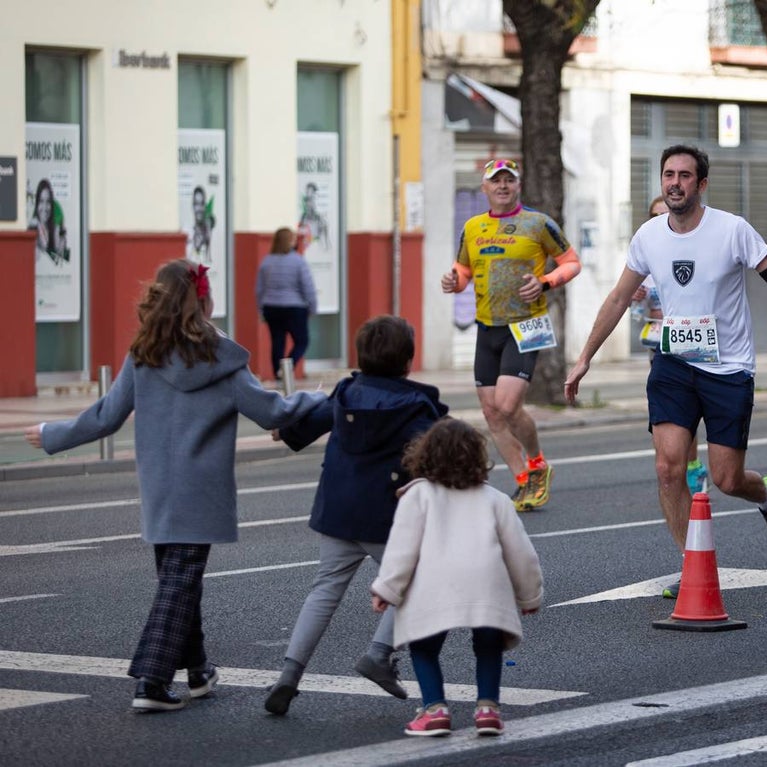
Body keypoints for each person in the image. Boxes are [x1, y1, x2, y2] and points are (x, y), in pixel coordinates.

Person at [564, 144, 767, 599]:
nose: (674, 183)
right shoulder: (648, 236)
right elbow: (619, 297)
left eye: (684, 176)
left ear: (702, 184)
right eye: (668, 175)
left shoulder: (733, 231)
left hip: (728, 369)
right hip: (673, 364)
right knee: (667, 467)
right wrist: (585, 357)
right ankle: (691, 563)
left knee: (727, 478)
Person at [23, 259, 327, 712]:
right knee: (180, 582)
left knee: (179, 581)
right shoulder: (220, 357)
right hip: (201, 490)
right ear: (203, 300)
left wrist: (53, 434)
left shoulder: (143, 354)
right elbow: (272, 412)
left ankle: (199, 671)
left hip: (159, 488)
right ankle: (151, 680)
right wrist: (320, 397)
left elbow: (106, 417)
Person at [264, 315, 449, 716]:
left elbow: (295, 431)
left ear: (361, 358)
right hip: (388, 515)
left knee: (323, 591)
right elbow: (445, 449)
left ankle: (288, 678)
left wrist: (281, 425)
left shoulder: (346, 392)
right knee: (418, 581)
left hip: (338, 510)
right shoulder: (418, 405)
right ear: (408, 361)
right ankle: (379, 654)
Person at [370, 418, 543, 738]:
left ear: (425, 457)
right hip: (487, 585)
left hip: (435, 587)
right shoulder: (496, 500)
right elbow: (521, 552)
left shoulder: (417, 496)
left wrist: (387, 588)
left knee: (424, 647)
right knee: (489, 645)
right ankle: (488, 709)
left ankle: (435, 710)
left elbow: (401, 550)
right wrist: (529, 595)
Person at [441, 158, 582, 512]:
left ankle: (537, 463)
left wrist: (546, 281)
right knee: (490, 413)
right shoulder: (472, 227)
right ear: (485, 188)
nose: (502, 186)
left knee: (507, 405)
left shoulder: (538, 223)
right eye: (495, 181)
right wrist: (453, 281)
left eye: (509, 180)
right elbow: (463, 270)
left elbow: (571, 262)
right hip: (487, 326)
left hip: (526, 326)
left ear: (518, 185)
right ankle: (524, 481)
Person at [631, 196, 708, 495]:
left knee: (690, 408)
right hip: (659, 346)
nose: (659, 219)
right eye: (653, 215)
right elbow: (636, 312)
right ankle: (679, 467)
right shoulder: (644, 256)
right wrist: (635, 301)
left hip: (694, 341)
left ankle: (693, 466)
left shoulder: (695, 249)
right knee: (671, 413)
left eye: (663, 214)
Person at [257, 227, 318, 380]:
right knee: (302, 341)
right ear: (290, 241)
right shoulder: (298, 261)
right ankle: (286, 368)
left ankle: (278, 374)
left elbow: (259, 289)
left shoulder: (266, 262)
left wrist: (261, 309)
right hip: (294, 307)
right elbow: (308, 287)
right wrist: (312, 307)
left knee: (277, 342)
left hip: (271, 307)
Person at [28, 178, 69, 266]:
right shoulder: (32, 227)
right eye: (41, 201)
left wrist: (62, 238)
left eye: (48, 202)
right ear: (37, 204)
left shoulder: (54, 228)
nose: (45, 207)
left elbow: (57, 247)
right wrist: (39, 225)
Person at [298, 182, 330, 250]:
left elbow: (325, 247)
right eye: (307, 199)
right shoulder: (301, 220)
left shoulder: (321, 222)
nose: (309, 203)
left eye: (312, 199)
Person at [190, 186, 215, 264]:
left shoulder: (208, 233)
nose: (199, 208)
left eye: (202, 204)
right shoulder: (189, 232)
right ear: (193, 206)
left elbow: (209, 261)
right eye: (196, 204)